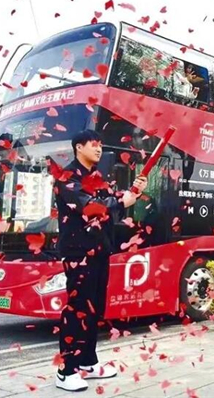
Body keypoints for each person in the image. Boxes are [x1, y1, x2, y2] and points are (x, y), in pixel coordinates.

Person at [54, 130, 147, 392]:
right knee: (78, 309)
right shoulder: (67, 177)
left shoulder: (97, 178)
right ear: (78, 147)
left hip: (99, 251)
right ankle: (66, 370)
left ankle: (88, 362)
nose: (98, 149)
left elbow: (110, 202)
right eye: (93, 145)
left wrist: (134, 191)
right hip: (78, 253)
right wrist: (122, 200)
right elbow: (90, 207)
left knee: (94, 308)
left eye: (100, 145)